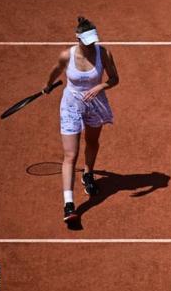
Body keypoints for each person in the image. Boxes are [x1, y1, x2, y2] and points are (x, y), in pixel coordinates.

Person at [44, 16, 119, 223]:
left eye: (93, 41)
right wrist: (48, 85)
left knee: (92, 142)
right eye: (87, 42)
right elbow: (55, 72)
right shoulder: (66, 55)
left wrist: (100, 86)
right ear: (78, 39)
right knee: (71, 154)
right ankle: (69, 205)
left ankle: (88, 174)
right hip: (71, 105)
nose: (91, 45)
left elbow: (114, 79)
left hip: (95, 104)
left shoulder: (103, 53)